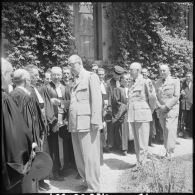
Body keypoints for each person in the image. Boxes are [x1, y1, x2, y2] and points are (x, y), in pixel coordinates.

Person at [68, 54, 102, 193]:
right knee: (79, 156)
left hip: (88, 123)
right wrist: (63, 103)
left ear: (79, 63)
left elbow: (97, 100)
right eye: (69, 65)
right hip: (75, 123)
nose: (70, 68)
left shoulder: (91, 76)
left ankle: (94, 186)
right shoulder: (75, 80)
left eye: (71, 65)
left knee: (90, 156)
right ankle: (86, 181)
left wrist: (95, 120)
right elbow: (76, 102)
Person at [1, 58, 33, 193]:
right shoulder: (5, 99)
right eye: (9, 74)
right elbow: (16, 138)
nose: (11, 79)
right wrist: (29, 147)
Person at [24, 64, 57, 189]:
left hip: (41, 126)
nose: (38, 77)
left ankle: (41, 179)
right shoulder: (28, 91)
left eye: (38, 75)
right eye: (35, 75)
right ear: (28, 76)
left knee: (42, 152)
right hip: (34, 127)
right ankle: (36, 181)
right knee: (36, 153)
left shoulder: (36, 88)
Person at [127, 62, 156, 167]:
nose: (129, 71)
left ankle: (143, 164)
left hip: (143, 114)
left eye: (131, 70)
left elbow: (152, 97)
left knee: (143, 142)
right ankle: (139, 162)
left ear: (138, 70)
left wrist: (150, 109)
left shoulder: (146, 81)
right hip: (133, 115)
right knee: (137, 142)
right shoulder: (131, 83)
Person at [46, 66, 71, 180]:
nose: (56, 77)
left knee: (65, 146)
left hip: (64, 121)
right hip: (53, 122)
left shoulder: (65, 88)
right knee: (54, 147)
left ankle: (65, 168)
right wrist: (53, 122)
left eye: (58, 75)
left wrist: (67, 119)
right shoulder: (46, 88)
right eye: (54, 75)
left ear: (61, 75)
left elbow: (70, 104)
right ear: (51, 75)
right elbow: (46, 107)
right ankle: (55, 171)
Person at [155, 64, 180, 159]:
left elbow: (176, 96)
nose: (162, 72)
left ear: (169, 71)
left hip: (171, 110)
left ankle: (171, 152)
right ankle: (167, 151)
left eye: (164, 70)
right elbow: (155, 96)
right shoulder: (157, 82)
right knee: (165, 130)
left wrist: (166, 106)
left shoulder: (175, 81)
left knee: (170, 129)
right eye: (160, 70)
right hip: (161, 110)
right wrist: (159, 106)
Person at [106, 65, 125, 152]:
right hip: (112, 107)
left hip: (121, 107)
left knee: (121, 128)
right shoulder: (109, 83)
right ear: (113, 72)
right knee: (111, 127)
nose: (117, 76)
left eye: (119, 74)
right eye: (116, 74)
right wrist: (109, 107)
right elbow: (108, 96)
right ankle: (111, 145)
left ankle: (121, 146)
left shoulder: (123, 82)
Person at [112, 73, 130, 155]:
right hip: (123, 112)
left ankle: (131, 146)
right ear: (121, 80)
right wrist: (125, 107)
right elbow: (117, 102)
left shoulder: (130, 89)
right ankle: (124, 148)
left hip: (132, 111)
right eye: (126, 79)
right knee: (123, 130)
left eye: (128, 79)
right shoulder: (117, 89)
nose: (127, 80)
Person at [141, 68, 156, 146]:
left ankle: (149, 142)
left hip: (149, 106)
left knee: (150, 124)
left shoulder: (151, 82)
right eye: (142, 73)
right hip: (141, 106)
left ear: (148, 73)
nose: (144, 74)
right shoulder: (138, 81)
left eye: (145, 72)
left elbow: (153, 96)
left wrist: (152, 108)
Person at [97, 68, 108, 164]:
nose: (100, 76)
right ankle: (99, 159)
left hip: (104, 112)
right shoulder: (94, 85)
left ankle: (101, 158)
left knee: (103, 135)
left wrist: (105, 110)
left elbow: (107, 99)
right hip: (98, 113)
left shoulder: (105, 85)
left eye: (102, 74)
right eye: (99, 74)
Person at [179, 72, 193, 138]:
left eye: (189, 76)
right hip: (184, 104)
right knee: (184, 120)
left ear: (192, 77)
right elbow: (179, 92)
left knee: (191, 119)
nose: (188, 77)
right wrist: (181, 93)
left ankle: (191, 133)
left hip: (191, 105)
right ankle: (185, 133)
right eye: (187, 76)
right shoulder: (182, 84)